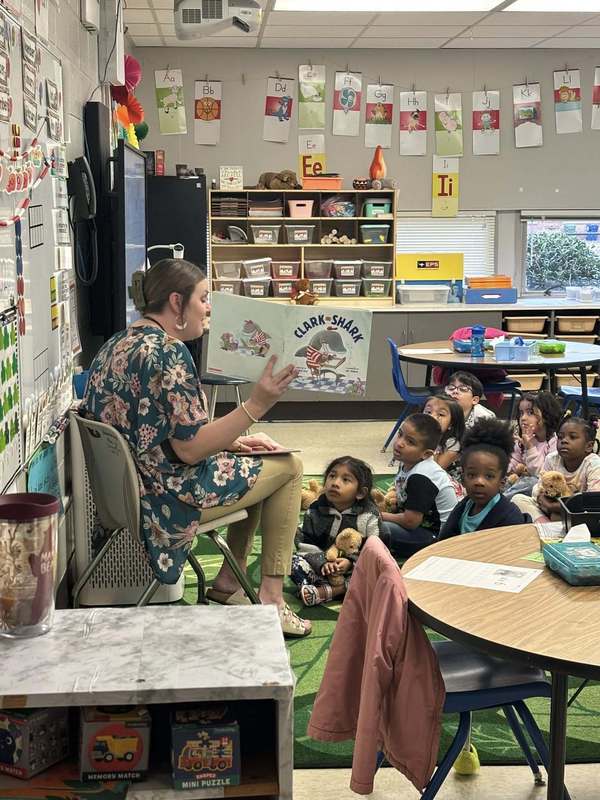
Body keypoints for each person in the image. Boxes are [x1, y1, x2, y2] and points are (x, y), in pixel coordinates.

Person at [81, 258, 311, 638]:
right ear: (176, 302)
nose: (209, 308)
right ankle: (272, 599)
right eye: (204, 298)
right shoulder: (168, 352)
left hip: (128, 492)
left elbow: (162, 429)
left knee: (249, 462)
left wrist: (234, 441)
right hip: (166, 499)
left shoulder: (116, 345)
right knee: (289, 467)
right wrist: (257, 405)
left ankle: (227, 583)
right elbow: (189, 450)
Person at [291, 456, 384, 607]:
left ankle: (334, 591)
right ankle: (327, 587)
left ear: (360, 493)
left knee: (379, 572)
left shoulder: (369, 515)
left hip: (355, 570)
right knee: (292, 562)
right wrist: (322, 563)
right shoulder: (316, 508)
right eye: (332, 476)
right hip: (321, 568)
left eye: (345, 480)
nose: (335, 483)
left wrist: (350, 562)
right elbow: (305, 543)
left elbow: (376, 549)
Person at [381, 414, 458, 557]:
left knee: (376, 526)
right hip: (421, 528)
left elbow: (411, 522)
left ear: (426, 453)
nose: (399, 443)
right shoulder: (409, 462)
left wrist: (379, 515)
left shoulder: (421, 476)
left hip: (437, 540)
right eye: (400, 434)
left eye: (410, 442)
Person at [439, 419, 528, 539]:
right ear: (463, 478)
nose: (479, 482)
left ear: (502, 482)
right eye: (472, 475)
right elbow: (444, 541)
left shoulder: (510, 516)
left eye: (489, 476)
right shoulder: (463, 507)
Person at [512, 416, 600, 523]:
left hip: (578, 514)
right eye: (560, 437)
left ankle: (551, 526)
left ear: (589, 446)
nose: (564, 441)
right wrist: (543, 500)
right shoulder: (552, 459)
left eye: (572, 437)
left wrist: (557, 507)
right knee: (518, 499)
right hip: (549, 507)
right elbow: (540, 486)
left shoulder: (593, 464)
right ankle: (544, 525)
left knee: (560, 516)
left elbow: (594, 501)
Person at [505, 392, 562, 500]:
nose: (523, 418)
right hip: (520, 485)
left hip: (542, 489)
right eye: (521, 413)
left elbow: (542, 475)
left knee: (532, 482)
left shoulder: (556, 441)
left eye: (530, 413)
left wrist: (530, 447)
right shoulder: (524, 439)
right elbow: (513, 463)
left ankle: (499, 503)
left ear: (546, 415)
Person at [422, 393, 465, 491]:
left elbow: (434, 470)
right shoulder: (420, 437)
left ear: (451, 423)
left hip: (451, 488)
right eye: (428, 412)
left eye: (440, 414)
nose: (432, 417)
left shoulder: (454, 443)